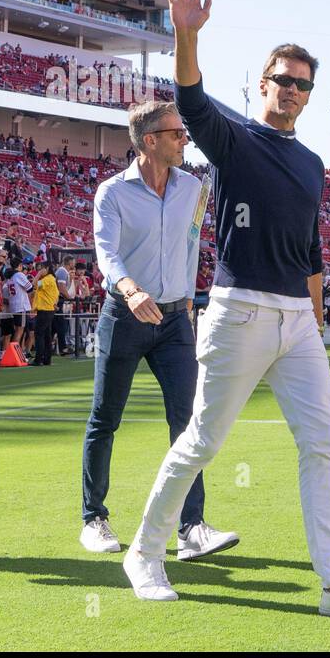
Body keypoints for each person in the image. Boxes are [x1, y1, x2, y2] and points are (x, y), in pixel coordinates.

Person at [125, 0, 330, 619]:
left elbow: (310, 252)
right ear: (263, 82)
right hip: (240, 310)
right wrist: (186, 36)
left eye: (304, 82)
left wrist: (317, 320)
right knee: (201, 442)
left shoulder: (312, 165)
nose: (294, 90)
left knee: (321, 443)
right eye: (284, 79)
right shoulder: (233, 137)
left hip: (296, 321)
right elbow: (189, 99)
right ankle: (145, 551)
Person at [84, 99, 237, 561]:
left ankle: (190, 528)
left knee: (188, 421)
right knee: (105, 418)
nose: (184, 139)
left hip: (175, 321)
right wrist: (131, 290)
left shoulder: (195, 188)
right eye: (176, 134)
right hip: (124, 314)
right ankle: (94, 518)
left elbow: (192, 243)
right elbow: (106, 254)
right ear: (150, 141)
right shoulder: (111, 193)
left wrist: (188, 300)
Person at [31, 260, 58, 366]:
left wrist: (38, 274)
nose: (40, 270)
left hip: (45, 310)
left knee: (39, 334)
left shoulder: (48, 279)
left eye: (41, 268)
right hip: (48, 310)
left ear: (47, 268)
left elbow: (34, 284)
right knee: (46, 335)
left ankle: (39, 358)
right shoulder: (50, 279)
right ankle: (47, 358)